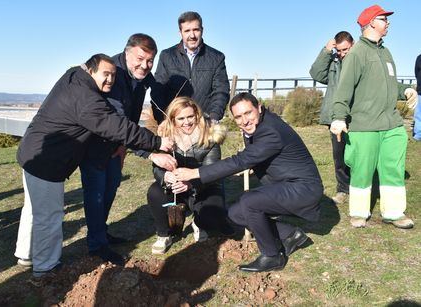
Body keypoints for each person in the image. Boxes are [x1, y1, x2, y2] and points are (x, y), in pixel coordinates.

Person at [14, 54, 173, 279]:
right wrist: (157, 142)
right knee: (49, 215)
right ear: (90, 71)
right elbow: (117, 126)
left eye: (113, 75)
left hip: (33, 153)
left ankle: (26, 254)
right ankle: (46, 267)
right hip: (47, 160)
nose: (109, 80)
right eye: (105, 74)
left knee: (34, 209)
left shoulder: (74, 77)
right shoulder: (86, 98)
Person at [174, 92, 324, 273]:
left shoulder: (271, 130)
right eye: (238, 116)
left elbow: (241, 161)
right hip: (286, 183)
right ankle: (290, 234)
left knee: (249, 201)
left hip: (303, 188)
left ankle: (272, 256)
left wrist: (195, 173)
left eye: (248, 113)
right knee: (236, 213)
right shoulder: (257, 126)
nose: (244, 120)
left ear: (259, 108)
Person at [79, 34, 177, 262]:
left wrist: (168, 116)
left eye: (150, 60)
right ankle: (96, 247)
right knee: (96, 195)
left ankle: (101, 233)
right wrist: (150, 153)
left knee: (110, 189)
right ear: (127, 52)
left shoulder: (140, 75)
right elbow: (117, 121)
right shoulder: (114, 75)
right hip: (96, 145)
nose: (145, 65)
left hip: (117, 144)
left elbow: (157, 90)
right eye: (140, 58)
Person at [330, 5, 418, 229]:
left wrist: (405, 89)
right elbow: (344, 89)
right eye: (383, 19)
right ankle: (359, 212)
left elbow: (388, 83)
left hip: (392, 124)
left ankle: (394, 212)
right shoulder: (357, 53)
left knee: (393, 168)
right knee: (362, 169)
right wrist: (339, 117)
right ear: (371, 23)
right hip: (364, 125)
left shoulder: (385, 53)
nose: (388, 22)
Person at [147, 97, 233, 254]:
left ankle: (199, 223)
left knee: (214, 212)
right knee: (154, 193)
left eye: (190, 117)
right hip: (175, 188)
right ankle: (164, 234)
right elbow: (157, 167)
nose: (186, 122)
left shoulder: (210, 136)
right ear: (172, 119)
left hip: (203, 186)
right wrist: (165, 176)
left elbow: (212, 171)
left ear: (197, 116)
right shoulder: (165, 138)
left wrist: (191, 183)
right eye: (181, 118)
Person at [154, 11, 230, 122]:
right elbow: (158, 90)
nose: (192, 35)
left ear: (202, 30)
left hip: (205, 123)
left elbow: (221, 91)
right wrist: (164, 120)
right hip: (175, 124)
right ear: (180, 32)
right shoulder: (167, 56)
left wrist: (213, 118)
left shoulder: (217, 58)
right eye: (187, 31)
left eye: (196, 30)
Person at [310, 31, 354, 204]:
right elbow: (317, 74)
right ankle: (343, 189)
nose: (343, 54)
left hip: (356, 115)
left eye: (346, 50)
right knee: (339, 155)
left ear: (353, 45)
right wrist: (326, 52)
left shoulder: (358, 60)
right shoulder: (333, 62)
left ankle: (361, 187)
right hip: (335, 116)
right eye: (340, 50)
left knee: (358, 154)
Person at [413, 54, 421, 141]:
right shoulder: (419, 58)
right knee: (418, 114)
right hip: (420, 91)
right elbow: (416, 72)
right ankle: (418, 135)